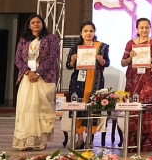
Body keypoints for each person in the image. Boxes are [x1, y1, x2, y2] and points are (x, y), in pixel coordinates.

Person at [121, 17, 152, 152]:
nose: (144, 30)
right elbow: (123, 63)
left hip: (150, 80)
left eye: (146, 27)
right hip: (133, 81)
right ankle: (133, 140)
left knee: (147, 108)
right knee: (134, 107)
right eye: (141, 27)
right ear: (137, 29)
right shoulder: (130, 44)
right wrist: (130, 58)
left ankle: (149, 141)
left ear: (150, 28)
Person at [13, 14, 60, 150]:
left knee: (42, 109)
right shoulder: (24, 40)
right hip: (27, 78)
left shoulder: (51, 38)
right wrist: (28, 72)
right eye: (32, 22)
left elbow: (52, 57)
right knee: (26, 108)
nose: (35, 24)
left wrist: (38, 73)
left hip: (44, 78)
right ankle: (24, 140)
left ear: (42, 24)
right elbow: (17, 59)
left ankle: (40, 141)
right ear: (29, 25)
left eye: (38, 22)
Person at [66, 21, 110, 149]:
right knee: (78, 108)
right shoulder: (76, 47)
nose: (88, 33)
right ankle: (80, 139)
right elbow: (68, 66)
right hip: (78, 82)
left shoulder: (101, 47)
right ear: (81, 33)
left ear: (94, 32)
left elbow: (107, 63)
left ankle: (89, 139)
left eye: (91, 31)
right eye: (85, 31)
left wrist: (101, 59)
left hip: (95, 81)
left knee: (93, 109)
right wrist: (72, 60)